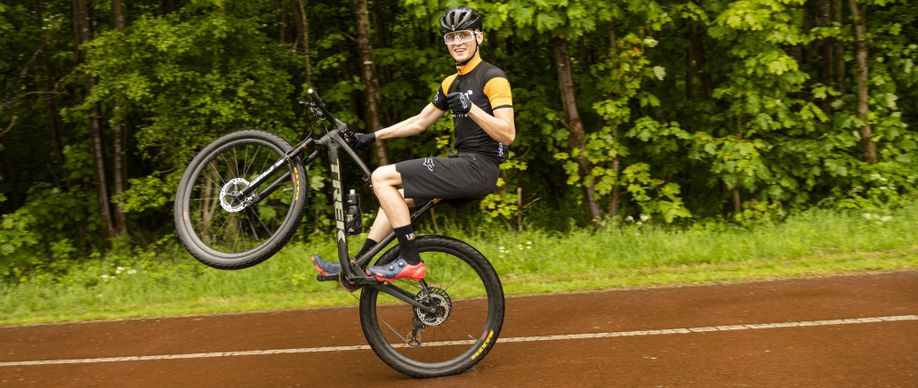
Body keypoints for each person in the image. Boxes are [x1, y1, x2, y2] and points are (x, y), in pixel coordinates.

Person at [312, 5, 515, 282]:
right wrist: (373, 136)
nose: (457, 43)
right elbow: (419, 122)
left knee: (381, 177)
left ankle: (410, 260)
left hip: (480, 166)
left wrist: (472, 109)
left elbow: (508, 133)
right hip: (464, 163)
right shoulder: (450, 84)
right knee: (391, 196)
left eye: (464, 35)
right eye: (450, 37)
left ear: (478, 37)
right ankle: (357, 265)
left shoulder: (493, 78)